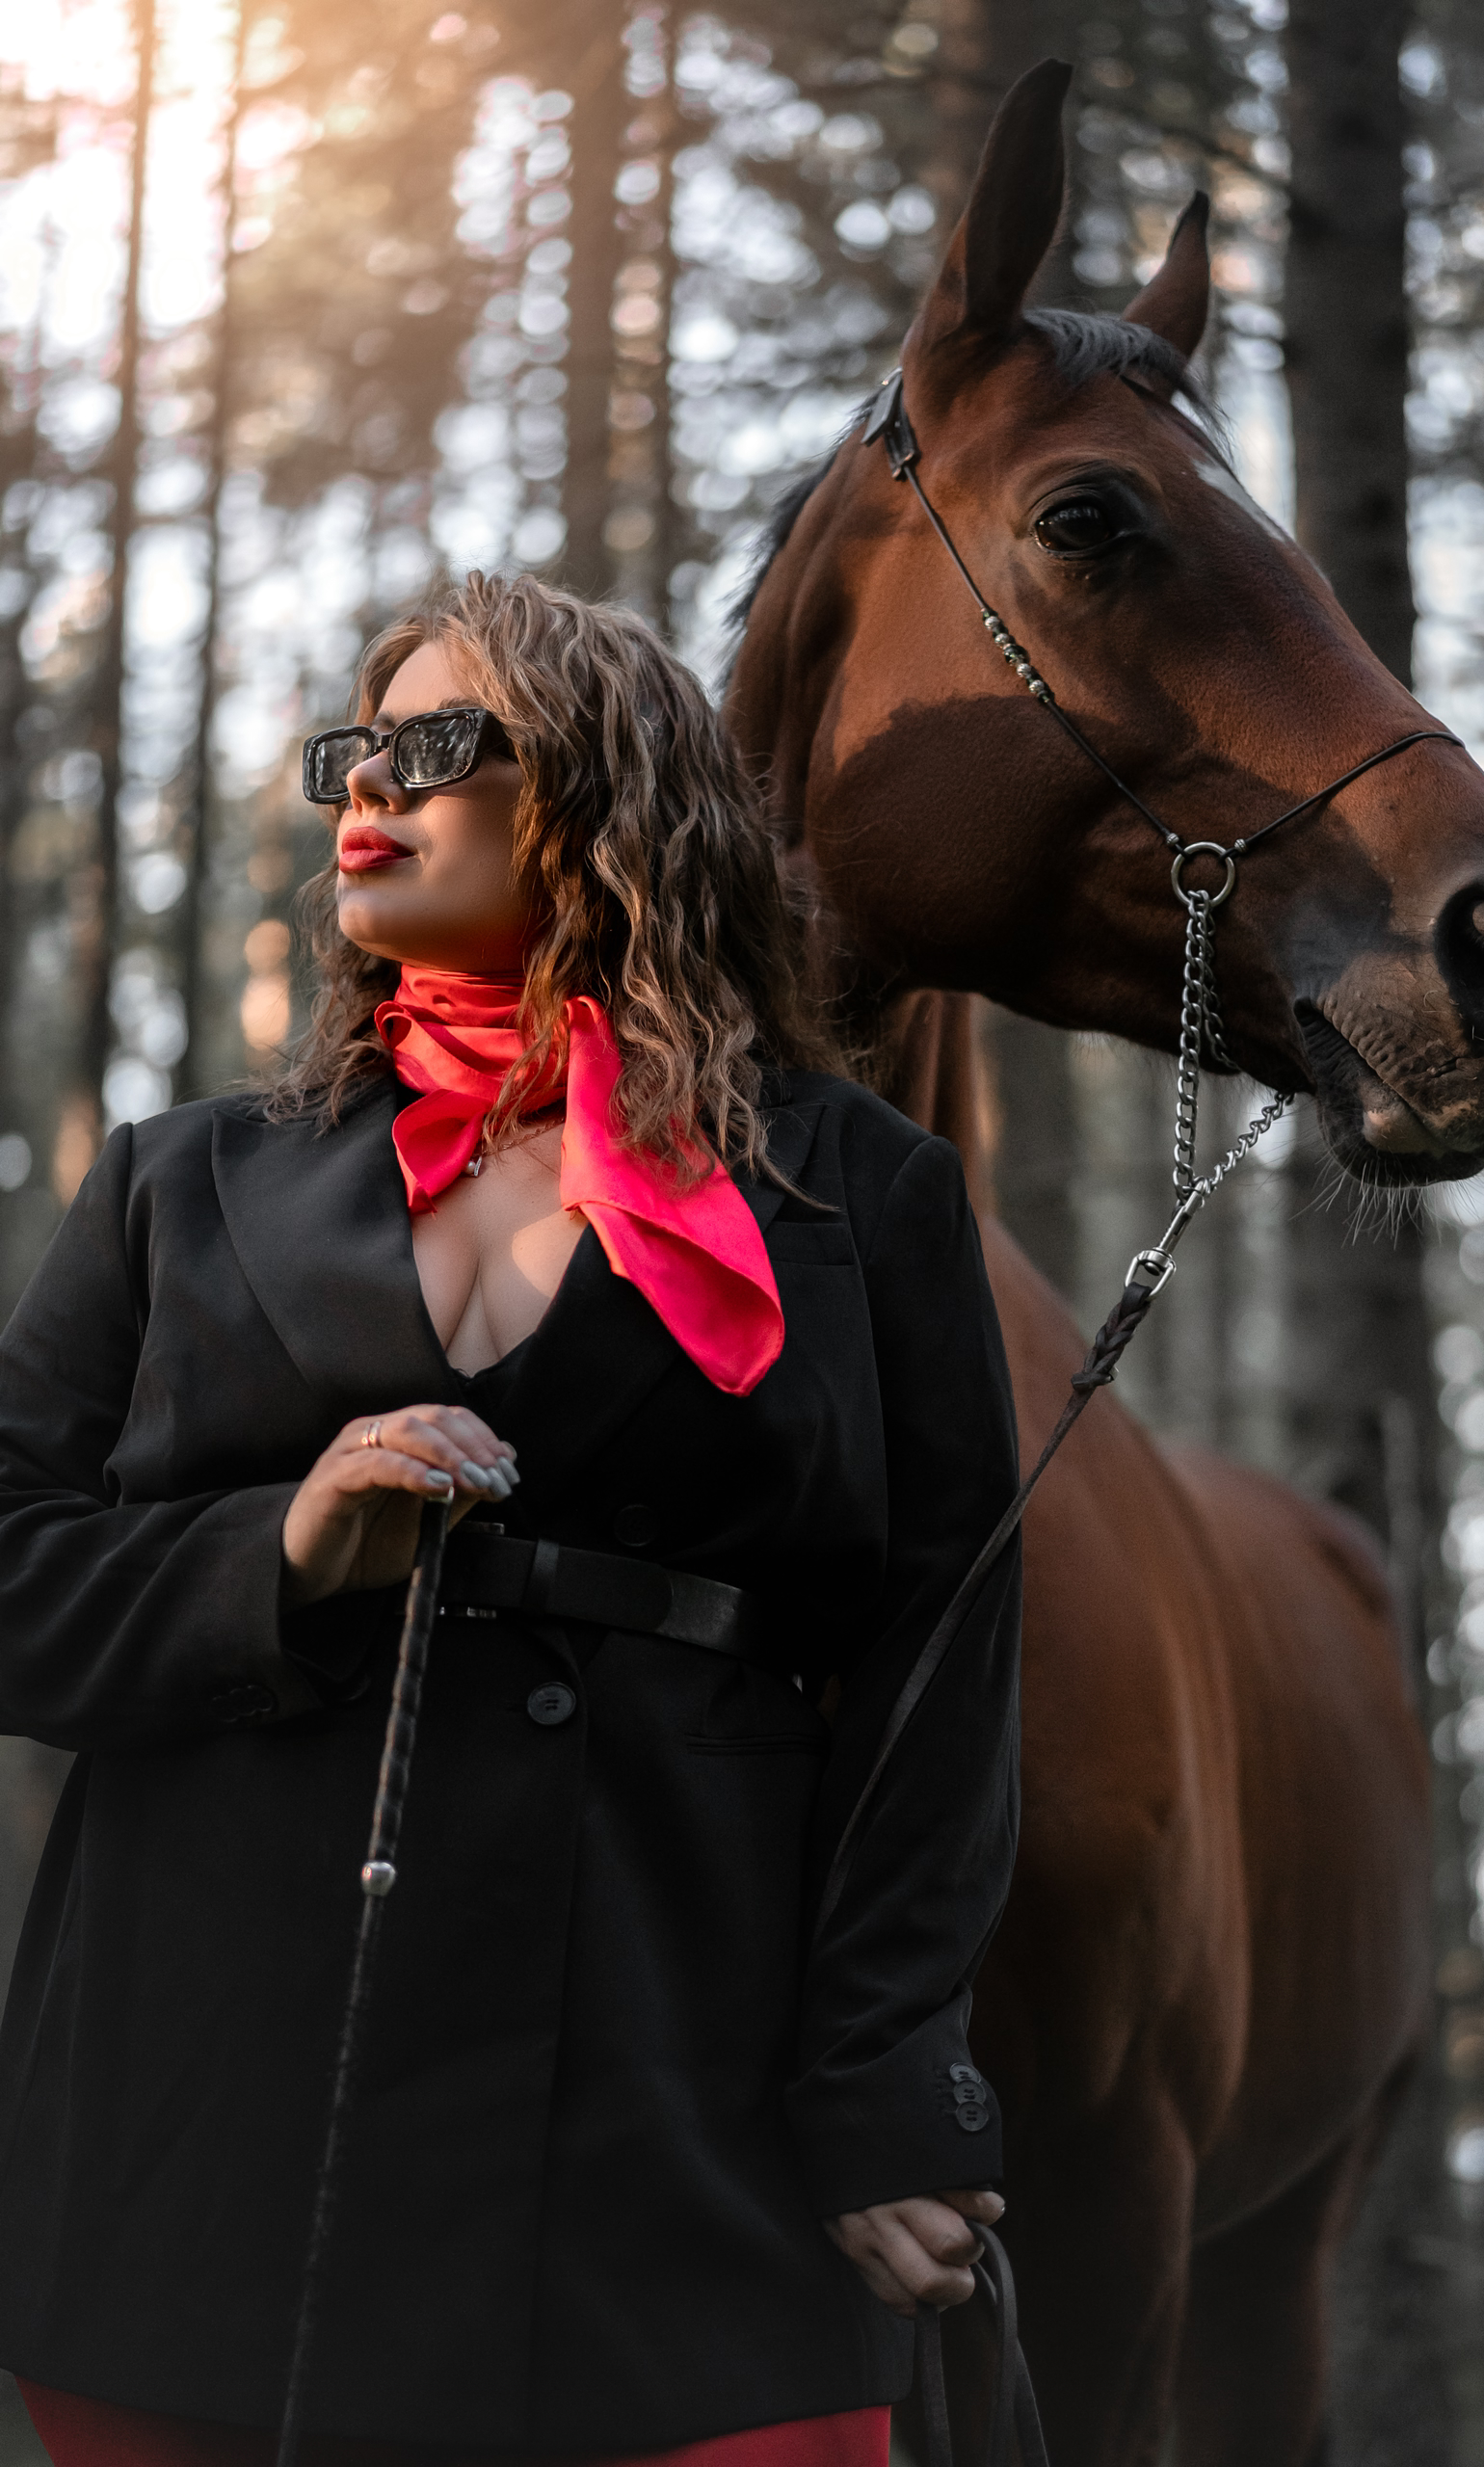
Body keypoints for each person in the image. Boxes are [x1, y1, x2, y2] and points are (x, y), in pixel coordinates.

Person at [0, 575, 1021, 2467]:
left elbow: (934, 1674)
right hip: (206, 2111)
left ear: (616, 789)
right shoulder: (178, 1181)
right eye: (352, 751)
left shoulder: (854, 1187)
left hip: (681, 2091)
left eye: (440, 743)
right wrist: (278, 1550)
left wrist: (888, 2076)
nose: (367, 787)